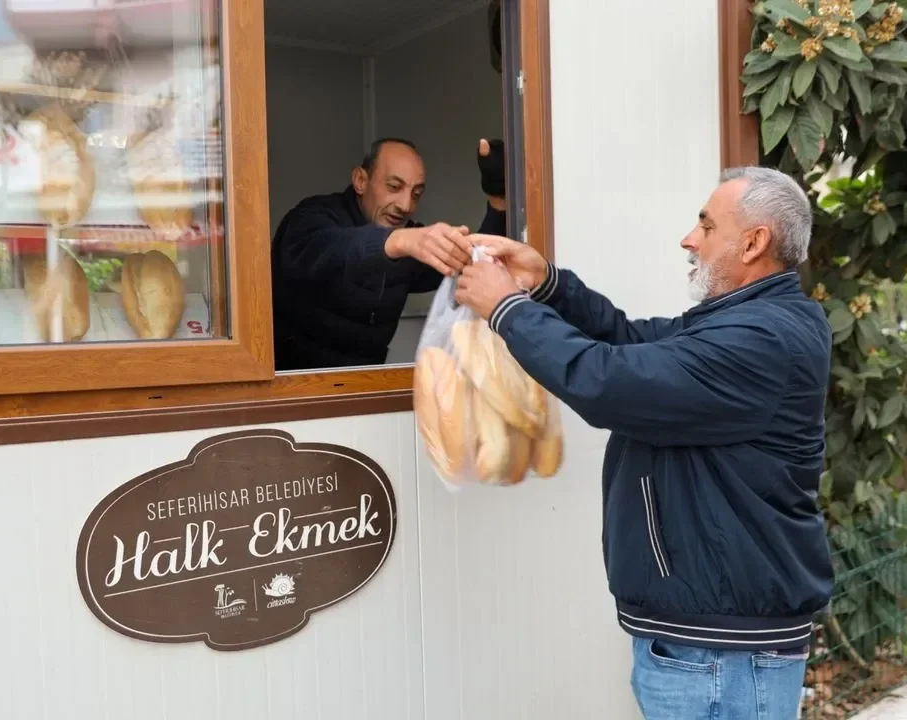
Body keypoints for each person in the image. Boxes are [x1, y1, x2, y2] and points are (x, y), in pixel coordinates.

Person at [453, 166, 834, 720]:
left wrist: (508, 309)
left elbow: (609, 383)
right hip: (715, 644)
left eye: (706, 224)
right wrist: (549, 284)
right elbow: (630, 341)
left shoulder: (761, 339)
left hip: (722, 655)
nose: (689, 238)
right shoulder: (748, 321)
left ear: (754, 242)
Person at [270, 137, 509, 371]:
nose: (405, 205)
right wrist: (397, 241)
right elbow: (326, 250)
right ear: (360, 180)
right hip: (292, 395)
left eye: (416, 194)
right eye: (394, 187)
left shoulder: (407, 241)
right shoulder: (312, 218)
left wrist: (498, 201)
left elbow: (470, 264)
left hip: (371, 391)